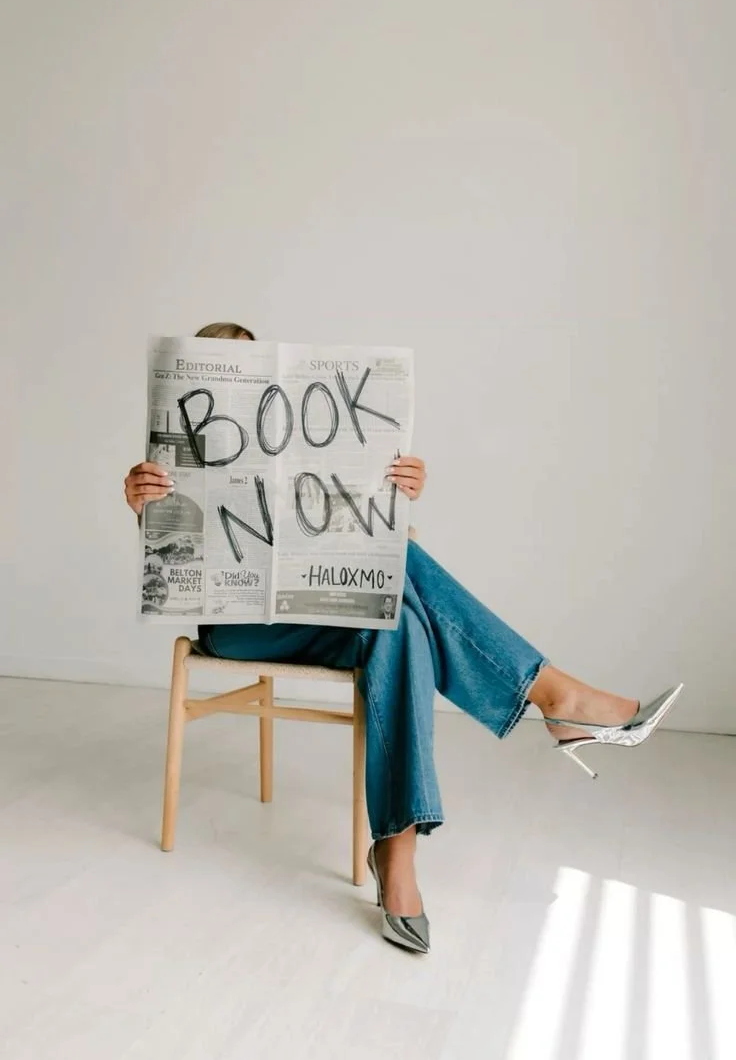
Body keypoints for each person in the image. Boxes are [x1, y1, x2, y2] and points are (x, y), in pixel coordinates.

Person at [125, 322, 683, 955]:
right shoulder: (165, 461)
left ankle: (397, 853)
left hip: (317, 613)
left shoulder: (296, 443)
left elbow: (359, 540)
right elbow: (167, 570)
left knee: (399, 621)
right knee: (404, 586)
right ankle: (554, 698)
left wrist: (392, 493)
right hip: (239, 628)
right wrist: (141, 507)